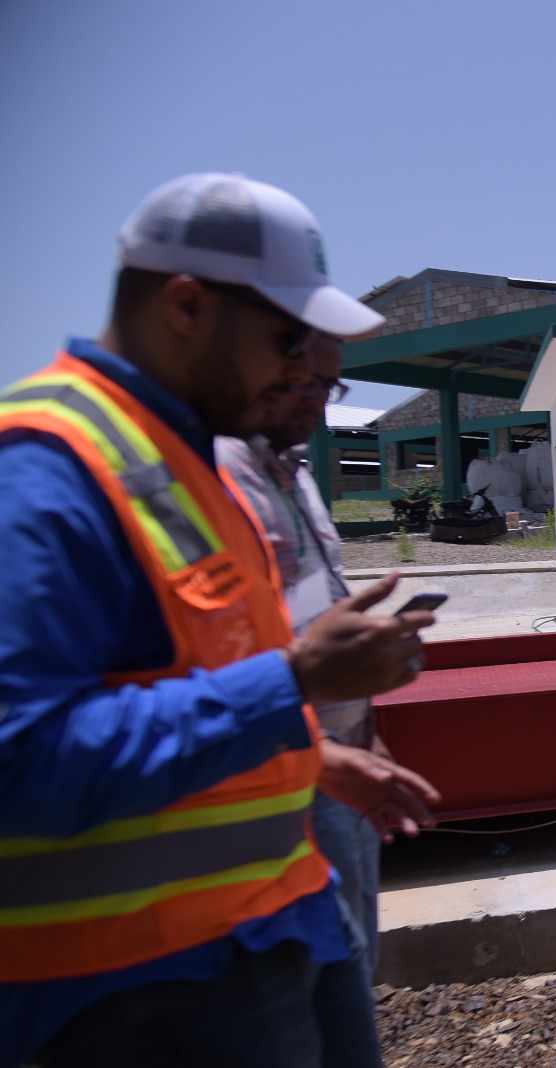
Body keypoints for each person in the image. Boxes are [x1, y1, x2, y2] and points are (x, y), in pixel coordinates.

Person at [0, 173, 435, 1067]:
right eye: (287, 336)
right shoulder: (43, 472)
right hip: (135, 990)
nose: (303, 365)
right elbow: (22, 758)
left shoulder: (184, 460)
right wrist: (298, 682)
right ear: (187, 305)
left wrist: (314, 754)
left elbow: (182, 675)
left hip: (265, 930)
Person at [217, 336, 440, 982]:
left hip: (342, 750)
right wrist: (317, 747)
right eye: (305, 384)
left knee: (353, 956)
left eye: (329, 388)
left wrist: (364, 730)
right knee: (319, 974)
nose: (318, 404)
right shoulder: (211, 476)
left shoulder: (297, 475)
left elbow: (311, 614)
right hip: (282, 762)